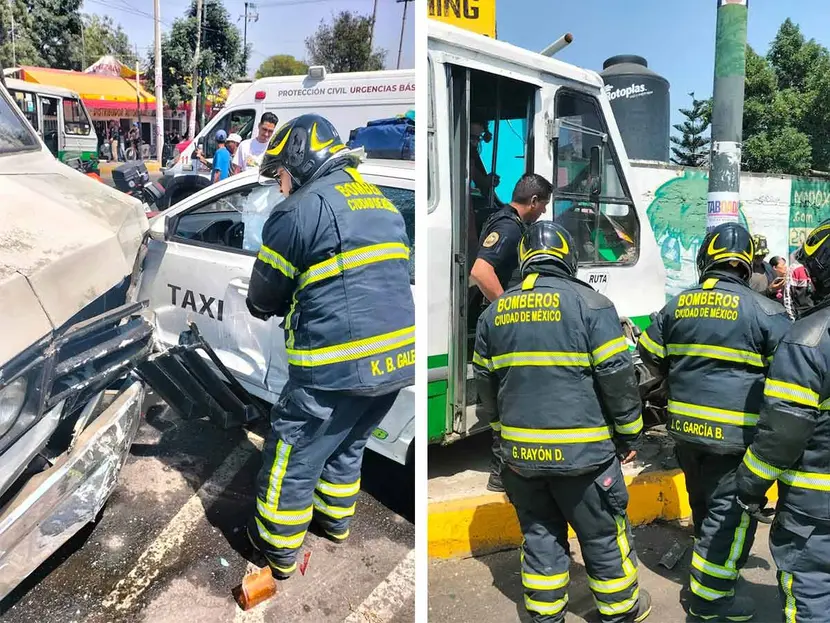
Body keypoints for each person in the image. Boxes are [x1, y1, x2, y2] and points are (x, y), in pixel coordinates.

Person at [244, 114, 414, 579]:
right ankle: (335, 523)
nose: (280, 186)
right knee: (348, 444)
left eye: (279, 175)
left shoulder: (299, 209)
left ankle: (276, 549)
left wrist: (268, 303)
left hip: (334, 366)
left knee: (294, 452)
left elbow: (263, 295)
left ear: (298, 161)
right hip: (397, 362)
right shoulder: (381, 202)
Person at [474, 220, 651, 623]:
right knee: (604, 538)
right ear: (568, 258)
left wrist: (502, 438)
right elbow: (617, 377)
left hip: (521, 459)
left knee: (539, 538)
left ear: (524, 259)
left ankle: (544, 615)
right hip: (585, 460)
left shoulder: (493, 314)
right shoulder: (592, 305)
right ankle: (620, 613)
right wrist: (629, 433)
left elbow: (486, 387)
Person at [637, 222, 790, 622]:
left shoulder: (676, 306)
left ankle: (708, 578)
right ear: (746, 265)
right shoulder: (767, 312)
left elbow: (649, 356)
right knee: (730, 518)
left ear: (705, 258)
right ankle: (712, 599)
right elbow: (792, 377)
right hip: (736, 442)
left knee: (703, 505)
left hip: (687, 435)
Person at [735, 219, 830, 623]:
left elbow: (783, 431)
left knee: (811, 593)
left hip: (817, 508)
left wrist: (751, 486)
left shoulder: (809, 339)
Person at [469, 173, 552, 492]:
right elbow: (481, 270)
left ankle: (503, 469)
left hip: (498, 323)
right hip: (503, 324)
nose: (543, 212)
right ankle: (500, 470)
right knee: (510, 395)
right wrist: (508, 308)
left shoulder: (503, 219)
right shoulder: (508, 226)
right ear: (533, 202)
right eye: (543, 205)